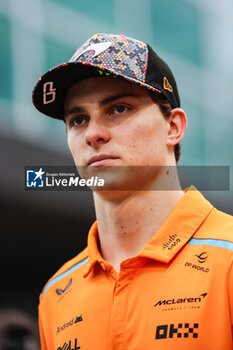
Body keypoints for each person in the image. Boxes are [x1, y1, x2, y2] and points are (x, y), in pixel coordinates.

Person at [32, 33, 233, 349]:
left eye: (119, 108)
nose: (93, 134)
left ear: (173, 127)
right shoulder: (56, 293)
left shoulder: (229, 259)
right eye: (78, 119)